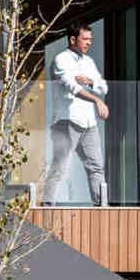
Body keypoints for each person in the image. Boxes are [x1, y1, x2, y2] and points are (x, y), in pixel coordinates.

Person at [40, 22, 109, 207]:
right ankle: (48, 206)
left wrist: (92, 81)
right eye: (85, 39)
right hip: (67, 122)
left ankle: (102, 207)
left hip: (89, 124)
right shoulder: (61, 60)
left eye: (90, 40)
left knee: (96, 167)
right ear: (73, 39)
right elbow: (73, 87)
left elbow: (103, 86)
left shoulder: (88, 62)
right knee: (60, 167)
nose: (88, 43)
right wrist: (96, 100)